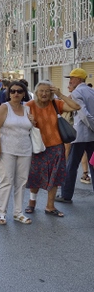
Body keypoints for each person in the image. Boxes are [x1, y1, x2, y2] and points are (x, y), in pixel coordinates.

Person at [24, 81, 79, 217]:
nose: (44, 94)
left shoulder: (56, 103)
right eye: (41, 91)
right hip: (37, 146)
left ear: (51, 93)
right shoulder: (29, 106)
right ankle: (32, 202)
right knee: (35, 176)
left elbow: (76, 106)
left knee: (55, 177)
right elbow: (21, 125)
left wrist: (60, 94)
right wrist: (29, 122)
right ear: (36, 92)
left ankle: (50, 206)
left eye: (47, 91)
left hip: (56, 146)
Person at [0, 81, 33, 225]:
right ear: (9, 93)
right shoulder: (4, 107)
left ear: (24, 93)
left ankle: (18, 213)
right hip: (7, 149)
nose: (16, 94)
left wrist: (34, 122)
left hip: (25, 149)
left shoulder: (27, 109)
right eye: (13, 91)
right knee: (6, 181)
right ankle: (1, 213)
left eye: (19, 91)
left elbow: (30, 129)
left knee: (22, 182)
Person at [57, 68, 94, 203]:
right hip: (91, 136)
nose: (70, 81)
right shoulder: (91, 91)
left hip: (81, 135)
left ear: (78, 79)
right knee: (93, 164)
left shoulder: (77, 92)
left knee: (71, 166)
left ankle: (66, 195)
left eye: (72, 78)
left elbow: (84, 114)